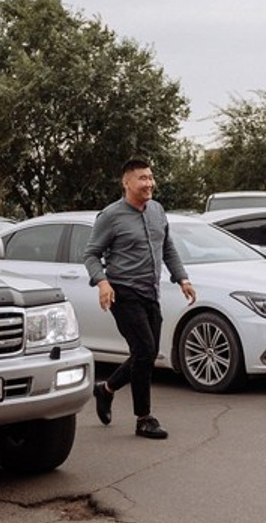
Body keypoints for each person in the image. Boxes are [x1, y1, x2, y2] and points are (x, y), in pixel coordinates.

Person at [84, 158, 196, 440]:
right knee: (145, 350)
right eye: (142, 179)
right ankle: (144, 418)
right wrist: (103, 282)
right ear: (126, 183)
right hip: (124, 293)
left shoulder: (157, 211)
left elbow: (167, 246)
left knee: (145, 353)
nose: (149, 183)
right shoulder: (110, 216)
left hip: (151, 292)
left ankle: (106, 389)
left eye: (150, 177)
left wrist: (182, 278)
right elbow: (91, 254)